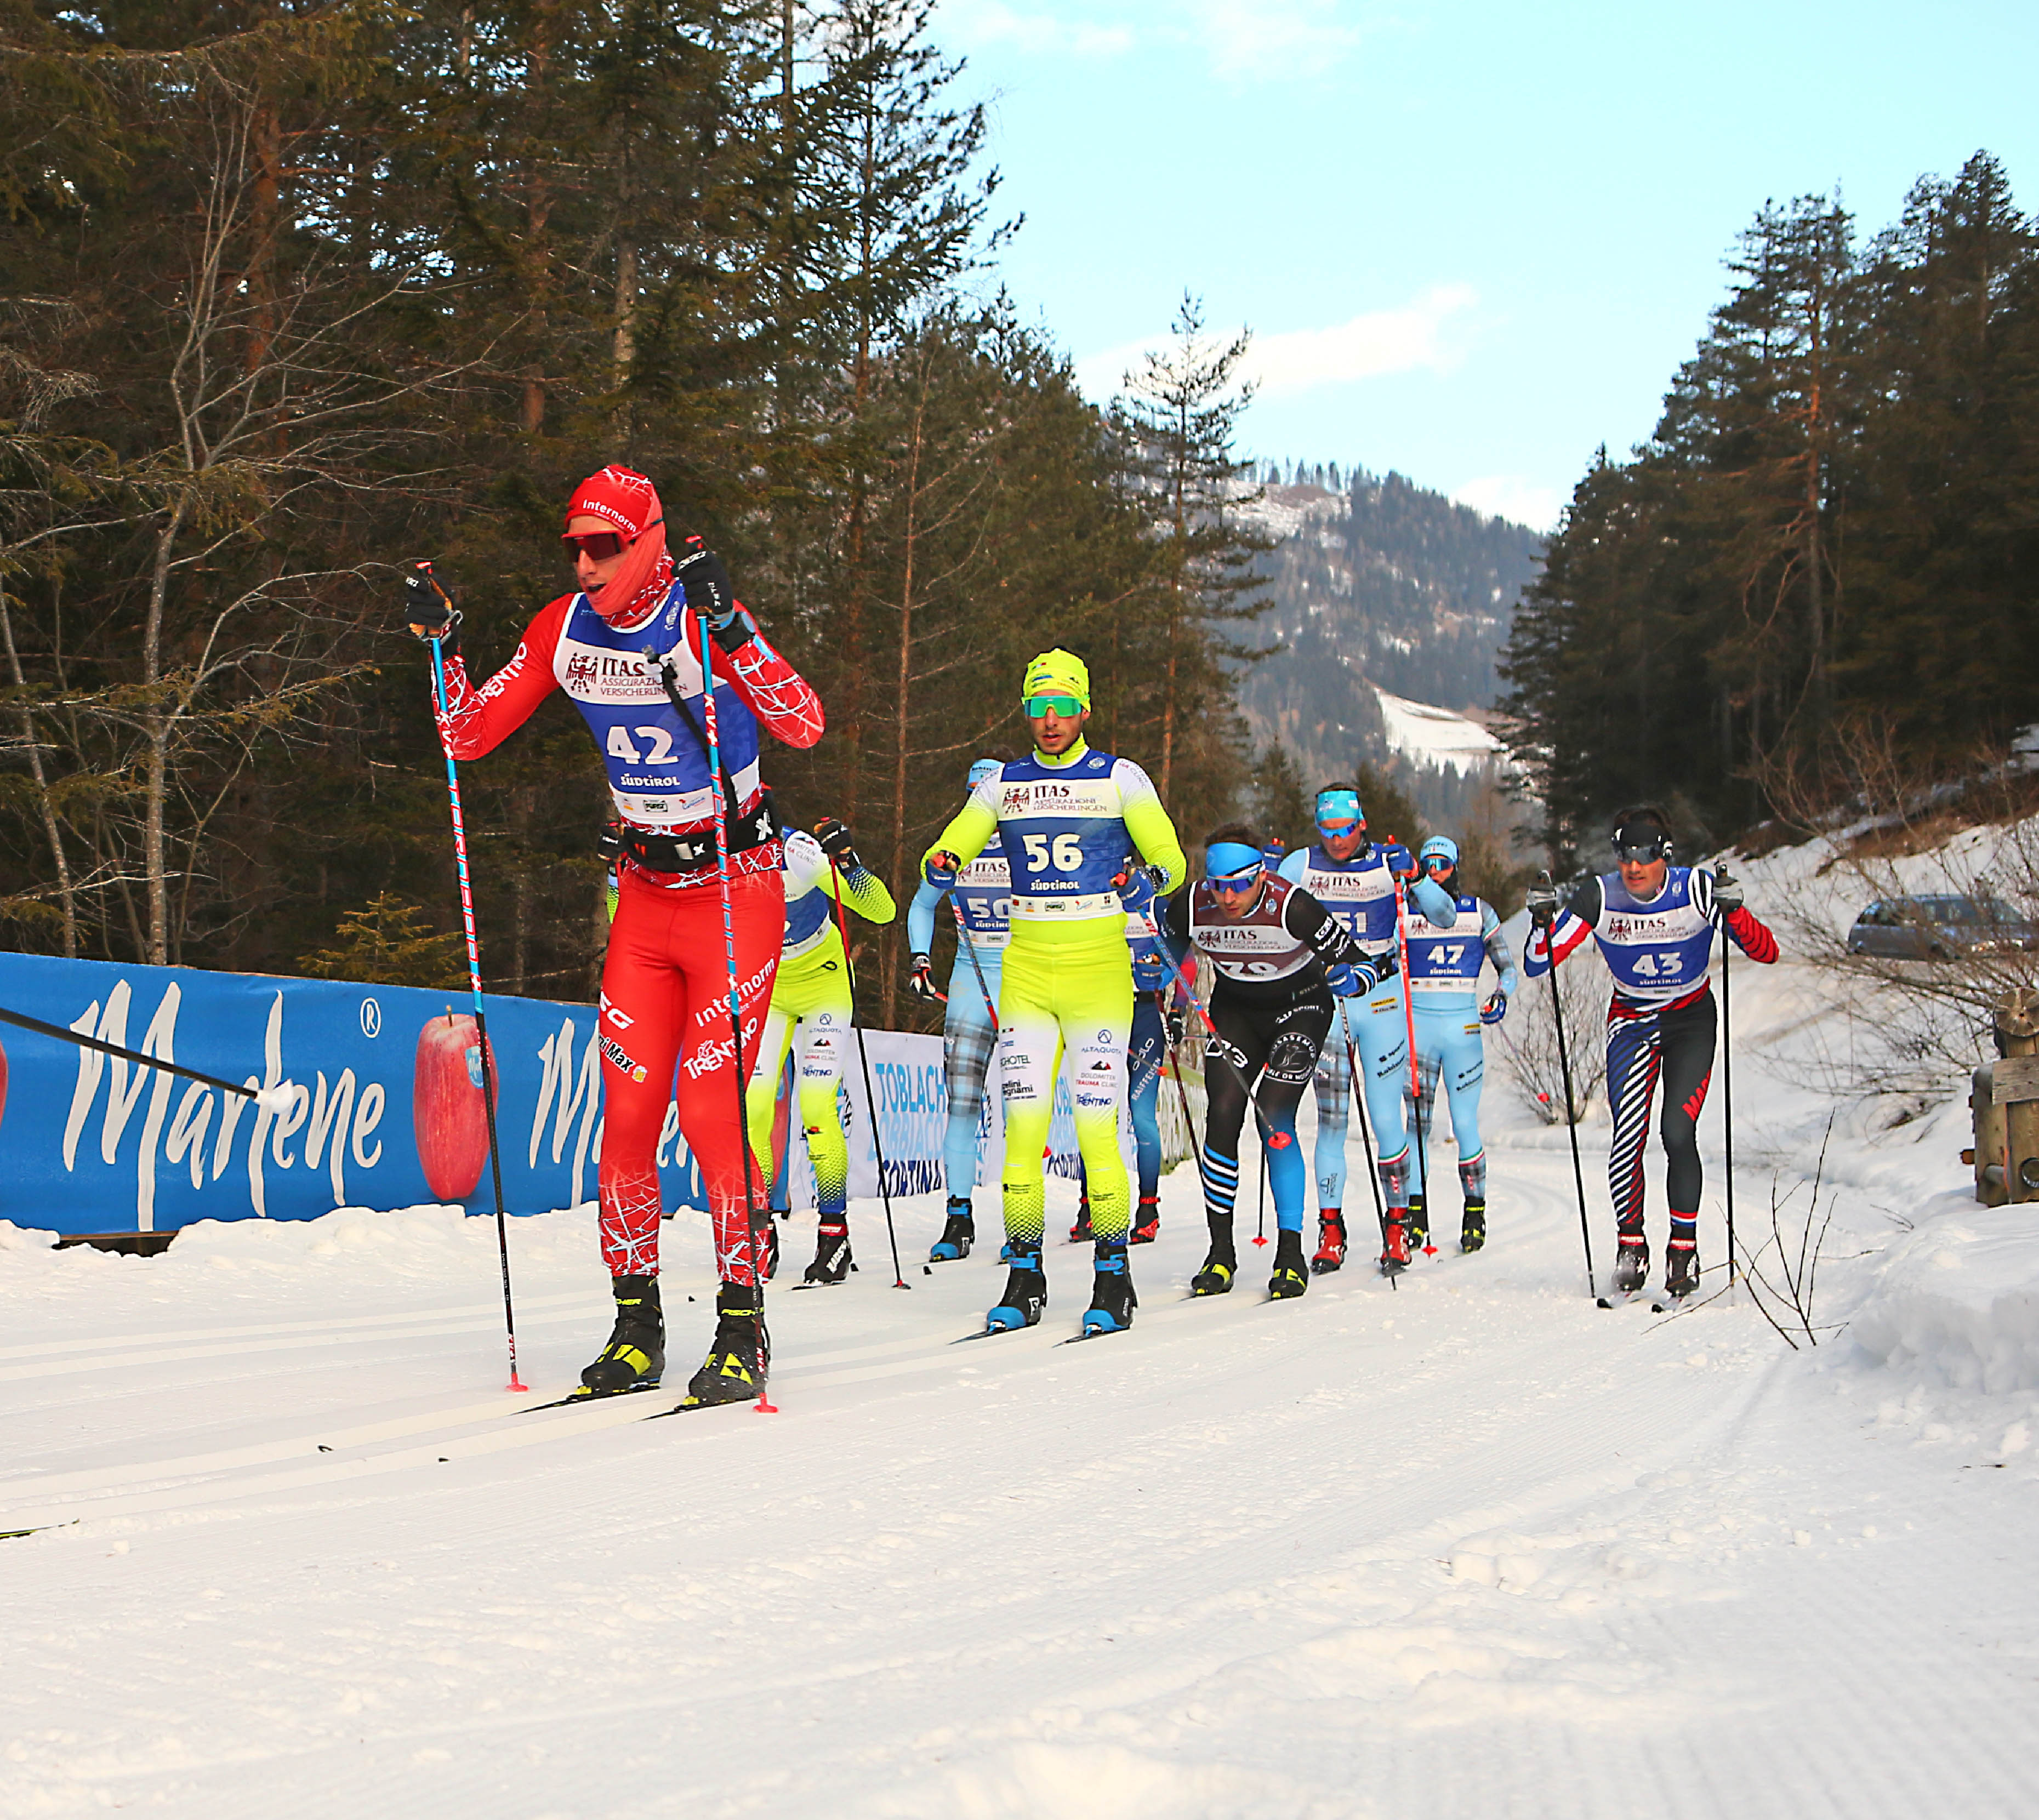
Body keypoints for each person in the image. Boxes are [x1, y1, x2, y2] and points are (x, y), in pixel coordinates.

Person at [407, 466, 824, 1406]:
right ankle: (638, 1322)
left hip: (735, 886)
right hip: (644, 895)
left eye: (607, 545)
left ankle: (742, 1325)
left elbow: (804, 724)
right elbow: (465, 735)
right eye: (577, 548)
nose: (589, 563)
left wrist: (739, 633)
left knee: (713, 1107)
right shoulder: (563, 629)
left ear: (651, 542)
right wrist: (444, 644)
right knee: (628, 1121)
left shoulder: (702, 619)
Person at [921, 649, 1187, 1337]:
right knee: (1022, 1136)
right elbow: (949, 846)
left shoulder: (1120, 778)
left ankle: (1113, 1277)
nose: (1049, 720)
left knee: (1100, 1130)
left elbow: (1172, 860)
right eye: (1038, 707)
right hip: (1028, 973)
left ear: (1084, 710)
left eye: (1062, 707)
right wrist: (944, 859)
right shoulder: (1003, 785)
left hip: (1097, 973)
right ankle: (1025, 1277)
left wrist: (1146, 882)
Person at [1523, 804, 1779, 1299]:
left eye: (1643, 856)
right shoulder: (1600, 896)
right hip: (1632, 1022)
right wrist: (1540, 919)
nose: (1633, 868)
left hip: (1690, 1020)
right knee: (1628, 1137)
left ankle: (1683, 1249)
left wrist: (1735, 910)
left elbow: (1766, 951)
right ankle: (1631, 1244)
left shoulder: (1696, 890)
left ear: (1664, 855)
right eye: (1624, 856)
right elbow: (1540, 961)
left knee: (1677, 1132)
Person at [1165, 825, 1377, 1297]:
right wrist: (1175, 1001)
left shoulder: (1292, 904)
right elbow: (1170, 946)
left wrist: (1355, 977)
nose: (1228, 897)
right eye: (1219, 885)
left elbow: (1363, 960)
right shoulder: (1193, 903)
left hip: (1301, 1007)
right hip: (1236, 1011)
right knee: (1221, 1114)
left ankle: (1289, 1254)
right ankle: (1220, 1254)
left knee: (1274, 1113)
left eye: (1240, 884)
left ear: (1260, 875)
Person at [1278, 785, 1455, 1270]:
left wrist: (1415, 877)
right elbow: (1267, 912)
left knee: (1385, 1119)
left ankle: (1398, 1226)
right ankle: (1330, 1229)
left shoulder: (1387, 864)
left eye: (1346, 830)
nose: (1336, 841)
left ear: (1362, 825)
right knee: (1331, 1121)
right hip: (1327, 1003)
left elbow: (1443, 915)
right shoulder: (1302, 865)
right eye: (1327, 831)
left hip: (1381, 1003)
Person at [745, 818, 896, 1285]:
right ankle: (759, 1228)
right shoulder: (716, 857)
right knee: (752, 1106)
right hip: (769, 987)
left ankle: (834, 1233)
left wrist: (848, 862)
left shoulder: (798, 852)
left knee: (815, 1105)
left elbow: (882, 910)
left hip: (824, 982)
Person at [905, 750, 1016, 1263]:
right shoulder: (955, 848)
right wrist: (921, 961)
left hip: (1023, 981)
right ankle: (959, 1217)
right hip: (972, 979)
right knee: (963, 1103)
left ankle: (1024, 1218)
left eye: (986, 795)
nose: (978, 806)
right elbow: (922, 903)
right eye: (971, 796)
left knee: (1026, 1105)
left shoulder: (1026, 839)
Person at [1400, 836, 1516, 1254]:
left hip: (1463, 1030)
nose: (1435, 873)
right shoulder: (1405, 909)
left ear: (1456, 867)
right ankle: (1416, 1216)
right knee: (1416, 1125)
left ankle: (1475, 1212)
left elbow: (1508, 968)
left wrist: (1501, 996)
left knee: (1464, 1123)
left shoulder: (1479, 911)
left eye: (1443, 866)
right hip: (1419, 1031)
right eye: (1428, 866)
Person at [1068, 904, 1181, 1250]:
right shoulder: (1092, 894)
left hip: (1146, 1013)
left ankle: (1148, 1208)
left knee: (1141, 1113)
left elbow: (1183, 957)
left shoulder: (1156, 902)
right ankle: (1090, 1205)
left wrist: (1177, 1011)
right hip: (1102, 1011)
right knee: (1096, 1113)